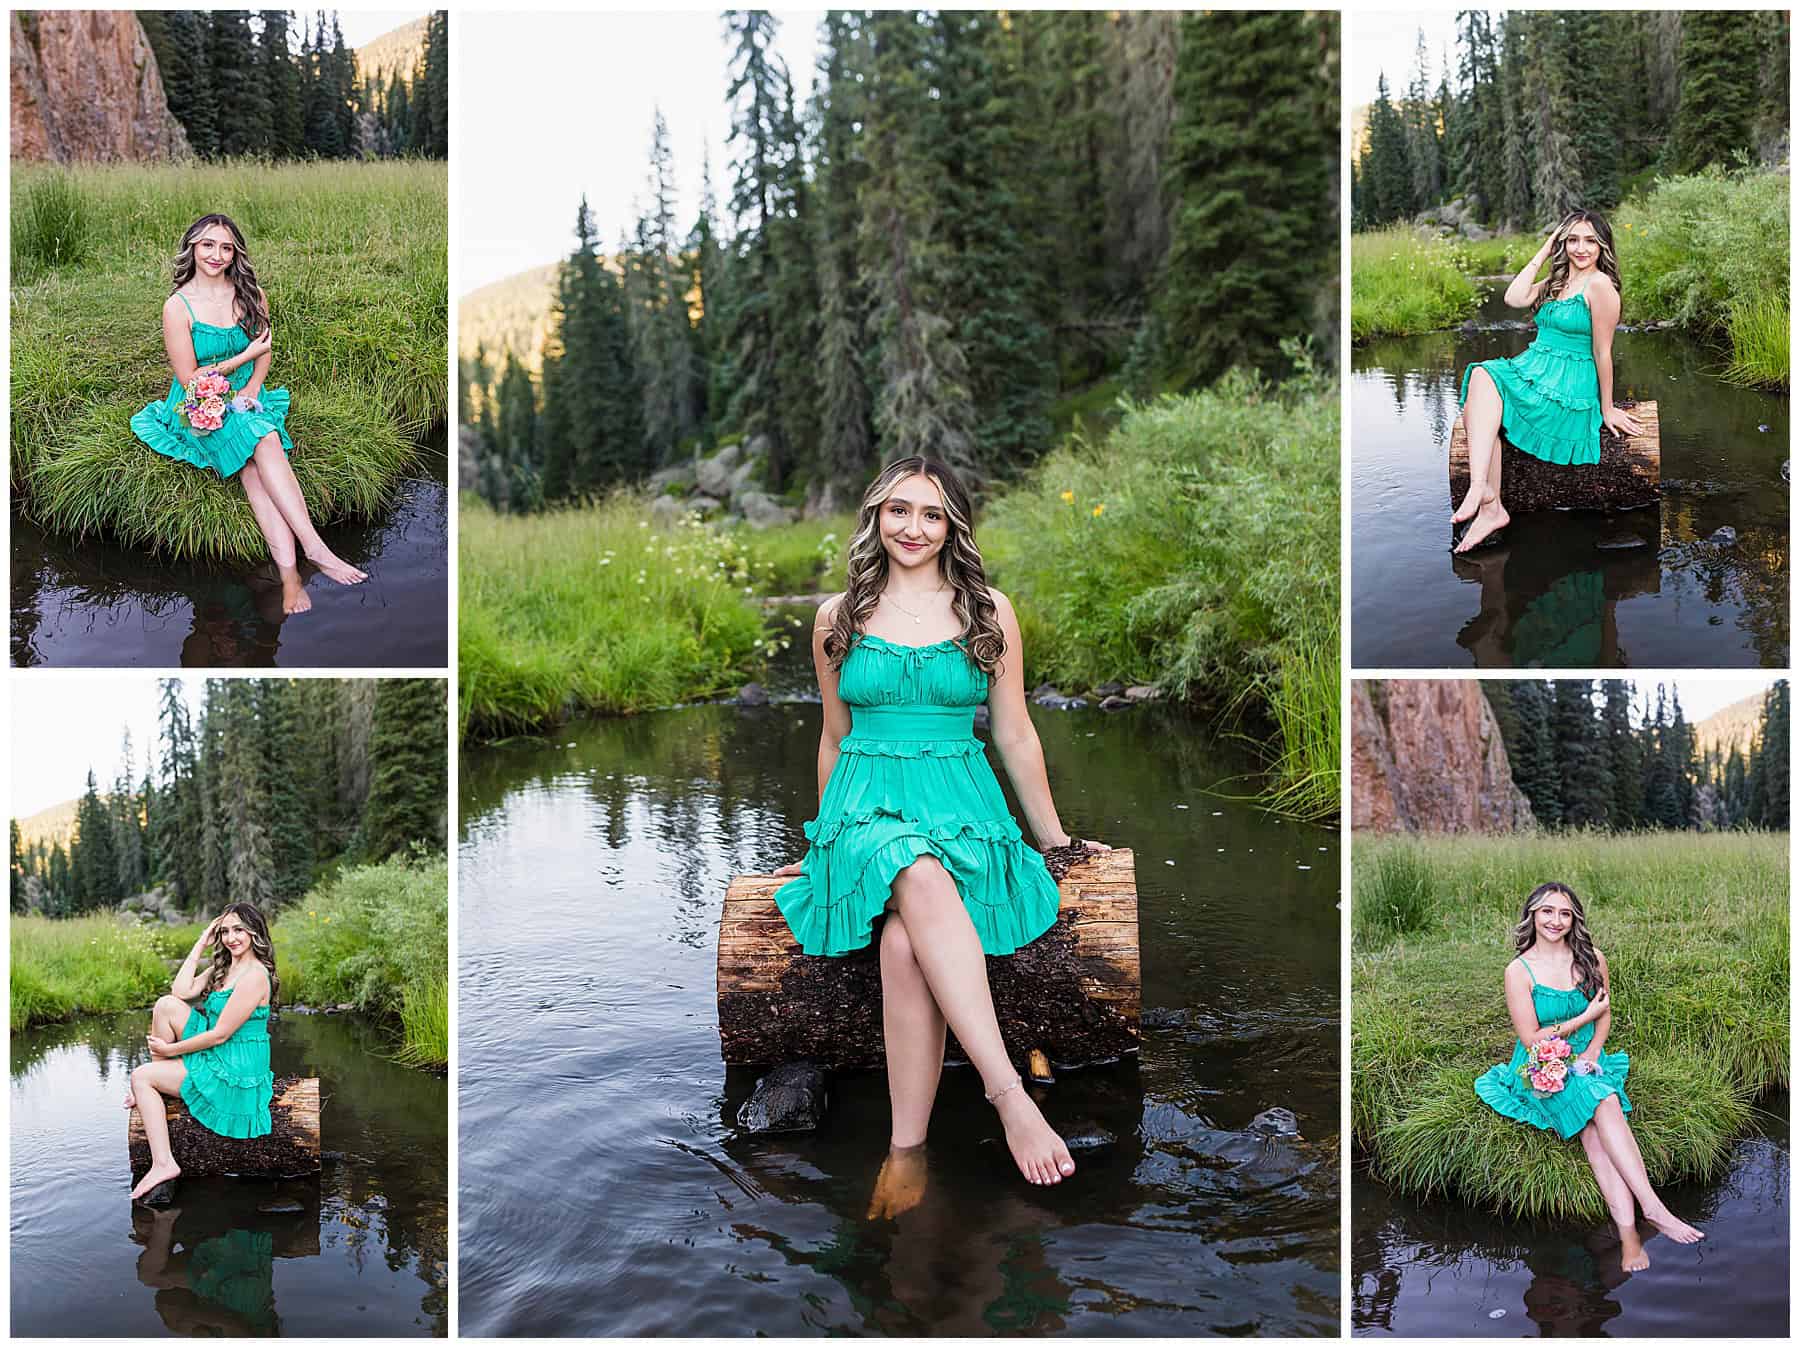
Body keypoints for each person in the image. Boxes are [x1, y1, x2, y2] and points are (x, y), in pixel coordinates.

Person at [772, 456, 1109, 1207]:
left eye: (932, 514)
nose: (914, 528)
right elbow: (834, 736)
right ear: (875, 516)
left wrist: (1055, 842)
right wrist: (826, 844)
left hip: (963, 807)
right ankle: (1008, 1096)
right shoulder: (837, 617)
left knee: (903, 945)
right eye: (899, 510)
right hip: (865, 810)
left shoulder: (988, 609)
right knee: (913, 868)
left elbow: (1014, 733)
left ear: (953, 526)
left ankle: (906, 1151)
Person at [130, 213, 367, 614]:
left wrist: (255, 385)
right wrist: (243, 358)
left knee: (254, 467)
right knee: (263, 437)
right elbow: (190, 379)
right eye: (208, 245)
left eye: (226, 247)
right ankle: (315, 549)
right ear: (192, 247)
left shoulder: (250, 294)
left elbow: (264, 349)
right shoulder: (177, 306)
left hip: (245, 394)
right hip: (199, 402)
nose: (216, 255)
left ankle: (290, 579)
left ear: (235, 253)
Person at [1474, 882, 1704, 1271]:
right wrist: (1583, 1018)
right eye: (1547, 911)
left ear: (1574, 919)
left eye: (1565, 913)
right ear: (1532, 914)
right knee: (1604, 1100)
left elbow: (1605, 1013)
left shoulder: (1592, 958)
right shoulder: (1518, 970)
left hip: (1586, 1056)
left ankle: (1629, 1238)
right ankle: (1653, 1208)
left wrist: (1595, 1050)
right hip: (1542, 1062)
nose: (1555, 921)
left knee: (1594, 1130)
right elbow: (1531, 1038)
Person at [1452, 211, 1646, 554]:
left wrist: (1607, 407)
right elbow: (1513, 298)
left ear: (1603, 246)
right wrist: (1545, 250)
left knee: (1481, 395)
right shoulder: (1558, 281)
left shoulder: (1600, 286)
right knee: (1481, 379)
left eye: (1590, 241)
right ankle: (1487, 500)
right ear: (1562, 243)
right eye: (1573, 240)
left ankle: (1485, 495)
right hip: (1534, 369)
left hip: (1566, 386)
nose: (1581, 248)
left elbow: (1602, 352)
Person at [124, 903, 278, 1203]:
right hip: (220, 1050)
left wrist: (169, 1049)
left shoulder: (255, 975)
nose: (231, 938)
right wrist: (201, 942)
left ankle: (164, 1163)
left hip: (236, 1065)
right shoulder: (225, 968)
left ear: (254, 932)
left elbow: (221, 1034)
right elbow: (180, 991)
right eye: (225, 931)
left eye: (239, 930)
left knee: (140, 1076)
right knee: (165, 1005)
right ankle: (162, 1083)